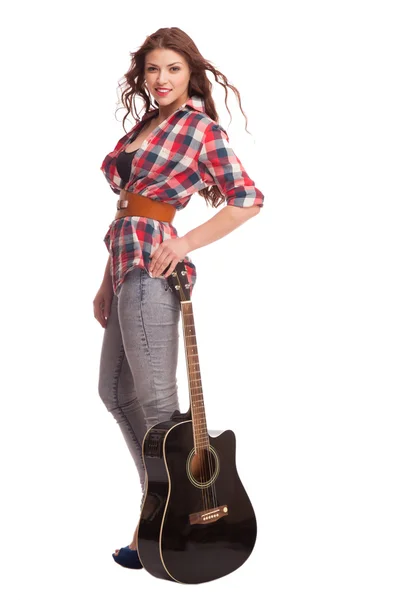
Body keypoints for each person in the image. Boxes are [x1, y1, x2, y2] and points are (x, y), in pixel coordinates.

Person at [94, 27, 264, 570]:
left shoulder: (198, 129)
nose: (161, 79)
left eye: (172, 68)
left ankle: (174, 524)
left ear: (191, 72)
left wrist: (185, 242)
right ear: (141, 77)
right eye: (152, 70)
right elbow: (129, 209)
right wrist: (105, 282)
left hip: (153, 270)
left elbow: (248, 199)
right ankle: (162, 513)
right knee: (115, 392)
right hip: (125, 266)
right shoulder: (148, 126)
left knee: (159, 406)